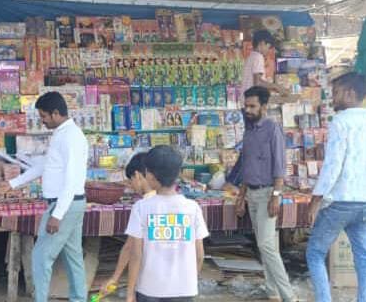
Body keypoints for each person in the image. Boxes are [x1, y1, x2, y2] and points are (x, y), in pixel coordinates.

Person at [0, 91, 89, 302]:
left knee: (40, 257)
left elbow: (72, 180)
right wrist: (12, 183)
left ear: (56, 113)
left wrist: (57, 214)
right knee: (73, 257)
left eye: (44, 117)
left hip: (64, 205)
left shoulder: (71, 137)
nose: (43, 121)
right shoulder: (62, 134)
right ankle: (79, 298)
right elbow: (44, 166)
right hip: (68, 205)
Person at [306, 72, 366, 302]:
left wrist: (315, 200)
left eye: (336, 93)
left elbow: (332, 167)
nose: (333, 99)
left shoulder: (340, 123)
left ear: (351, 94)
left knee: (315, 253)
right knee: (363, 257)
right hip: (365, 202)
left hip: (339, 202)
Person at [225, 86, 294, 302]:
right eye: (246, 106)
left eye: (253, 106)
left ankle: (289, 296)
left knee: (265, 245)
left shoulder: (272, 129)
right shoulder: (248, 131)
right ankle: (272, 292)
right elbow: (247, 167)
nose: (248, 110)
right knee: (266, 244)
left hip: (267, 194)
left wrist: (275, 195)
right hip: (252, 194)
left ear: (264, 107)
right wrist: (241, 197)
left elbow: (279, 167)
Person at [126, 145, 208, 302]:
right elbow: (199, 255)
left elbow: (136, 254)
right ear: (178, 174)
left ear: (150, 176)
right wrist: (189, 282)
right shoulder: (193, 208)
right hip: (184, 289)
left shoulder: (141, 208)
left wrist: (130, 292)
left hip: (149, 288)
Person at [100, 152, 151, 296]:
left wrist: (116, 280)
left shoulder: (142, 206)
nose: (131, 186)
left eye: (131, 181)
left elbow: (130, 249)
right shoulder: (184, 204)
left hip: (149, 284)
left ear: (138, 176)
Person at [242, 30, 284, 94]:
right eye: (268, 47)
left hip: (247, 98)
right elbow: (257, 83)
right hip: (253, 99)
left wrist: (270, 87)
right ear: (262, 43)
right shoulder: (258, 57)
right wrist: (275, 86)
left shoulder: (250, 57)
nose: (268, 50)